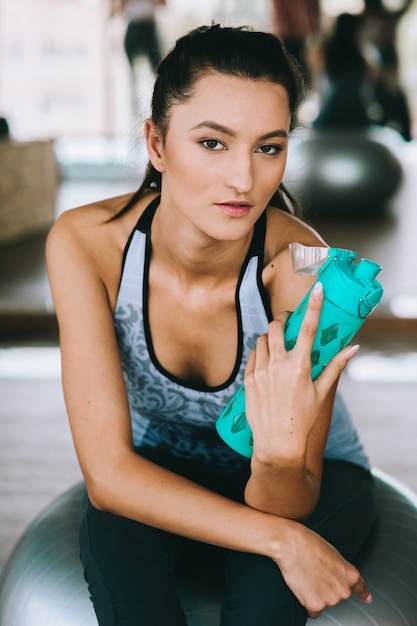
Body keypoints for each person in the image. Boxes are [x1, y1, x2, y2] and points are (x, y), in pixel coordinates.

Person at [46, 24, 376, 626]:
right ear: (157, 143)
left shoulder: (303, 269)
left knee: (266, 597)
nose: (244, 182)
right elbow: (109, 475)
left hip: (300, 483)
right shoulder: (86, 244)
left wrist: (276, 466)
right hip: (161, 471)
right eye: (213, 143)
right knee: (116, 542)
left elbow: (293, 494)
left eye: (268, 148)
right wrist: (281, 543)